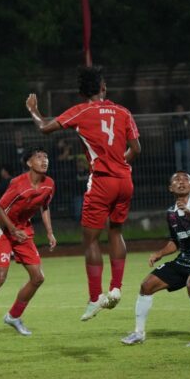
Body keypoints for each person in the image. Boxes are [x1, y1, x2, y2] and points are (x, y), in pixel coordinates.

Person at [25, 65, 141, 321]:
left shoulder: (81, 110)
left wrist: (33, 110)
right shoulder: (123, 111)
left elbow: (44, 127)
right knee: (116, 231)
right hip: (125, 180)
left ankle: (95, 297)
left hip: (102, 182)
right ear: (103, 87)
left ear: (82, 92)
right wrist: (119, 164)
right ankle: (116, 287)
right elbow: (136, 149)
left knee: (90, 240)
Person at [0, 146, 57, 340]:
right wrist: (13, 229)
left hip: (23, 232)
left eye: (46, 157)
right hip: (4, 231)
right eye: (39, 157)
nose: (44, 160)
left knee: (38, 278)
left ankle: (13, 316)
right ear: (29, 163)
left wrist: (50, 232)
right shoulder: (18, 184)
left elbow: (45, 207)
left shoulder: (49, 184)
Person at [121, 171, 190, 347]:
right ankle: (138, 333)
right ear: (170, 188)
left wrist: (188, 210)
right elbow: (175, 241)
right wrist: (160, 253)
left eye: (185, 179)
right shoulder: (171, 213)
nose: (181, 182)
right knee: (146, 285)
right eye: (176, 180)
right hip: (184, 259)